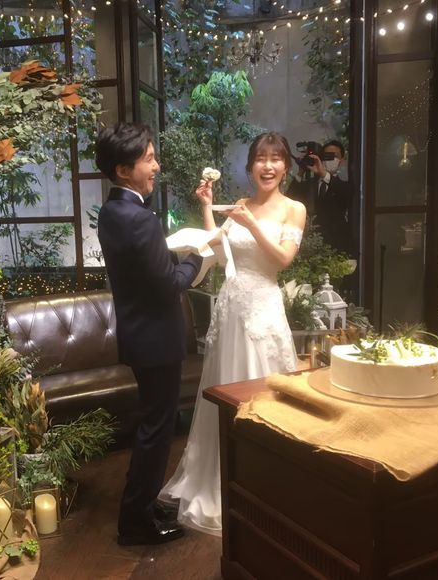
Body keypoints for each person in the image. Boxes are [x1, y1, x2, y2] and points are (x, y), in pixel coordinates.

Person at [159, 132, 306, 536]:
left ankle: (263, 481)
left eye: (276, 158)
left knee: (264, 390)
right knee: (226, 388)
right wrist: (208, 207)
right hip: (231, 308)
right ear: (250, 166)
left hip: (263, 308)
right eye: (261, 158)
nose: (268, 166)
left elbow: (282, 259)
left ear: (286, 167)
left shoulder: (294, 209)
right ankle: (222, 477)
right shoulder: (241, 204)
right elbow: (222, 254)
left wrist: (252, 225)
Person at [95, 122, 204, 546]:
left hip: (142, 337)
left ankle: (142, 505)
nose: (156, 166)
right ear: (124, 170)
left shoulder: (112, 211)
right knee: (157, 430)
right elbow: (169, 284)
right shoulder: (138, 219)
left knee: (153, 426)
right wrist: (199, 257)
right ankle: (136, 520)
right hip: (157, 340)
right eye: (149, 159)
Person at [288, 140, 353, 254]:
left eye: (334, 156)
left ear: (342, 161)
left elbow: (347, 195)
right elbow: (289, 200)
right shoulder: (309, 184)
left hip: (336, 247)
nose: (330, 160)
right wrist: (301, 172)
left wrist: (324, 174)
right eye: (327, 156)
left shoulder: (345, 185)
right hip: (309, 247)